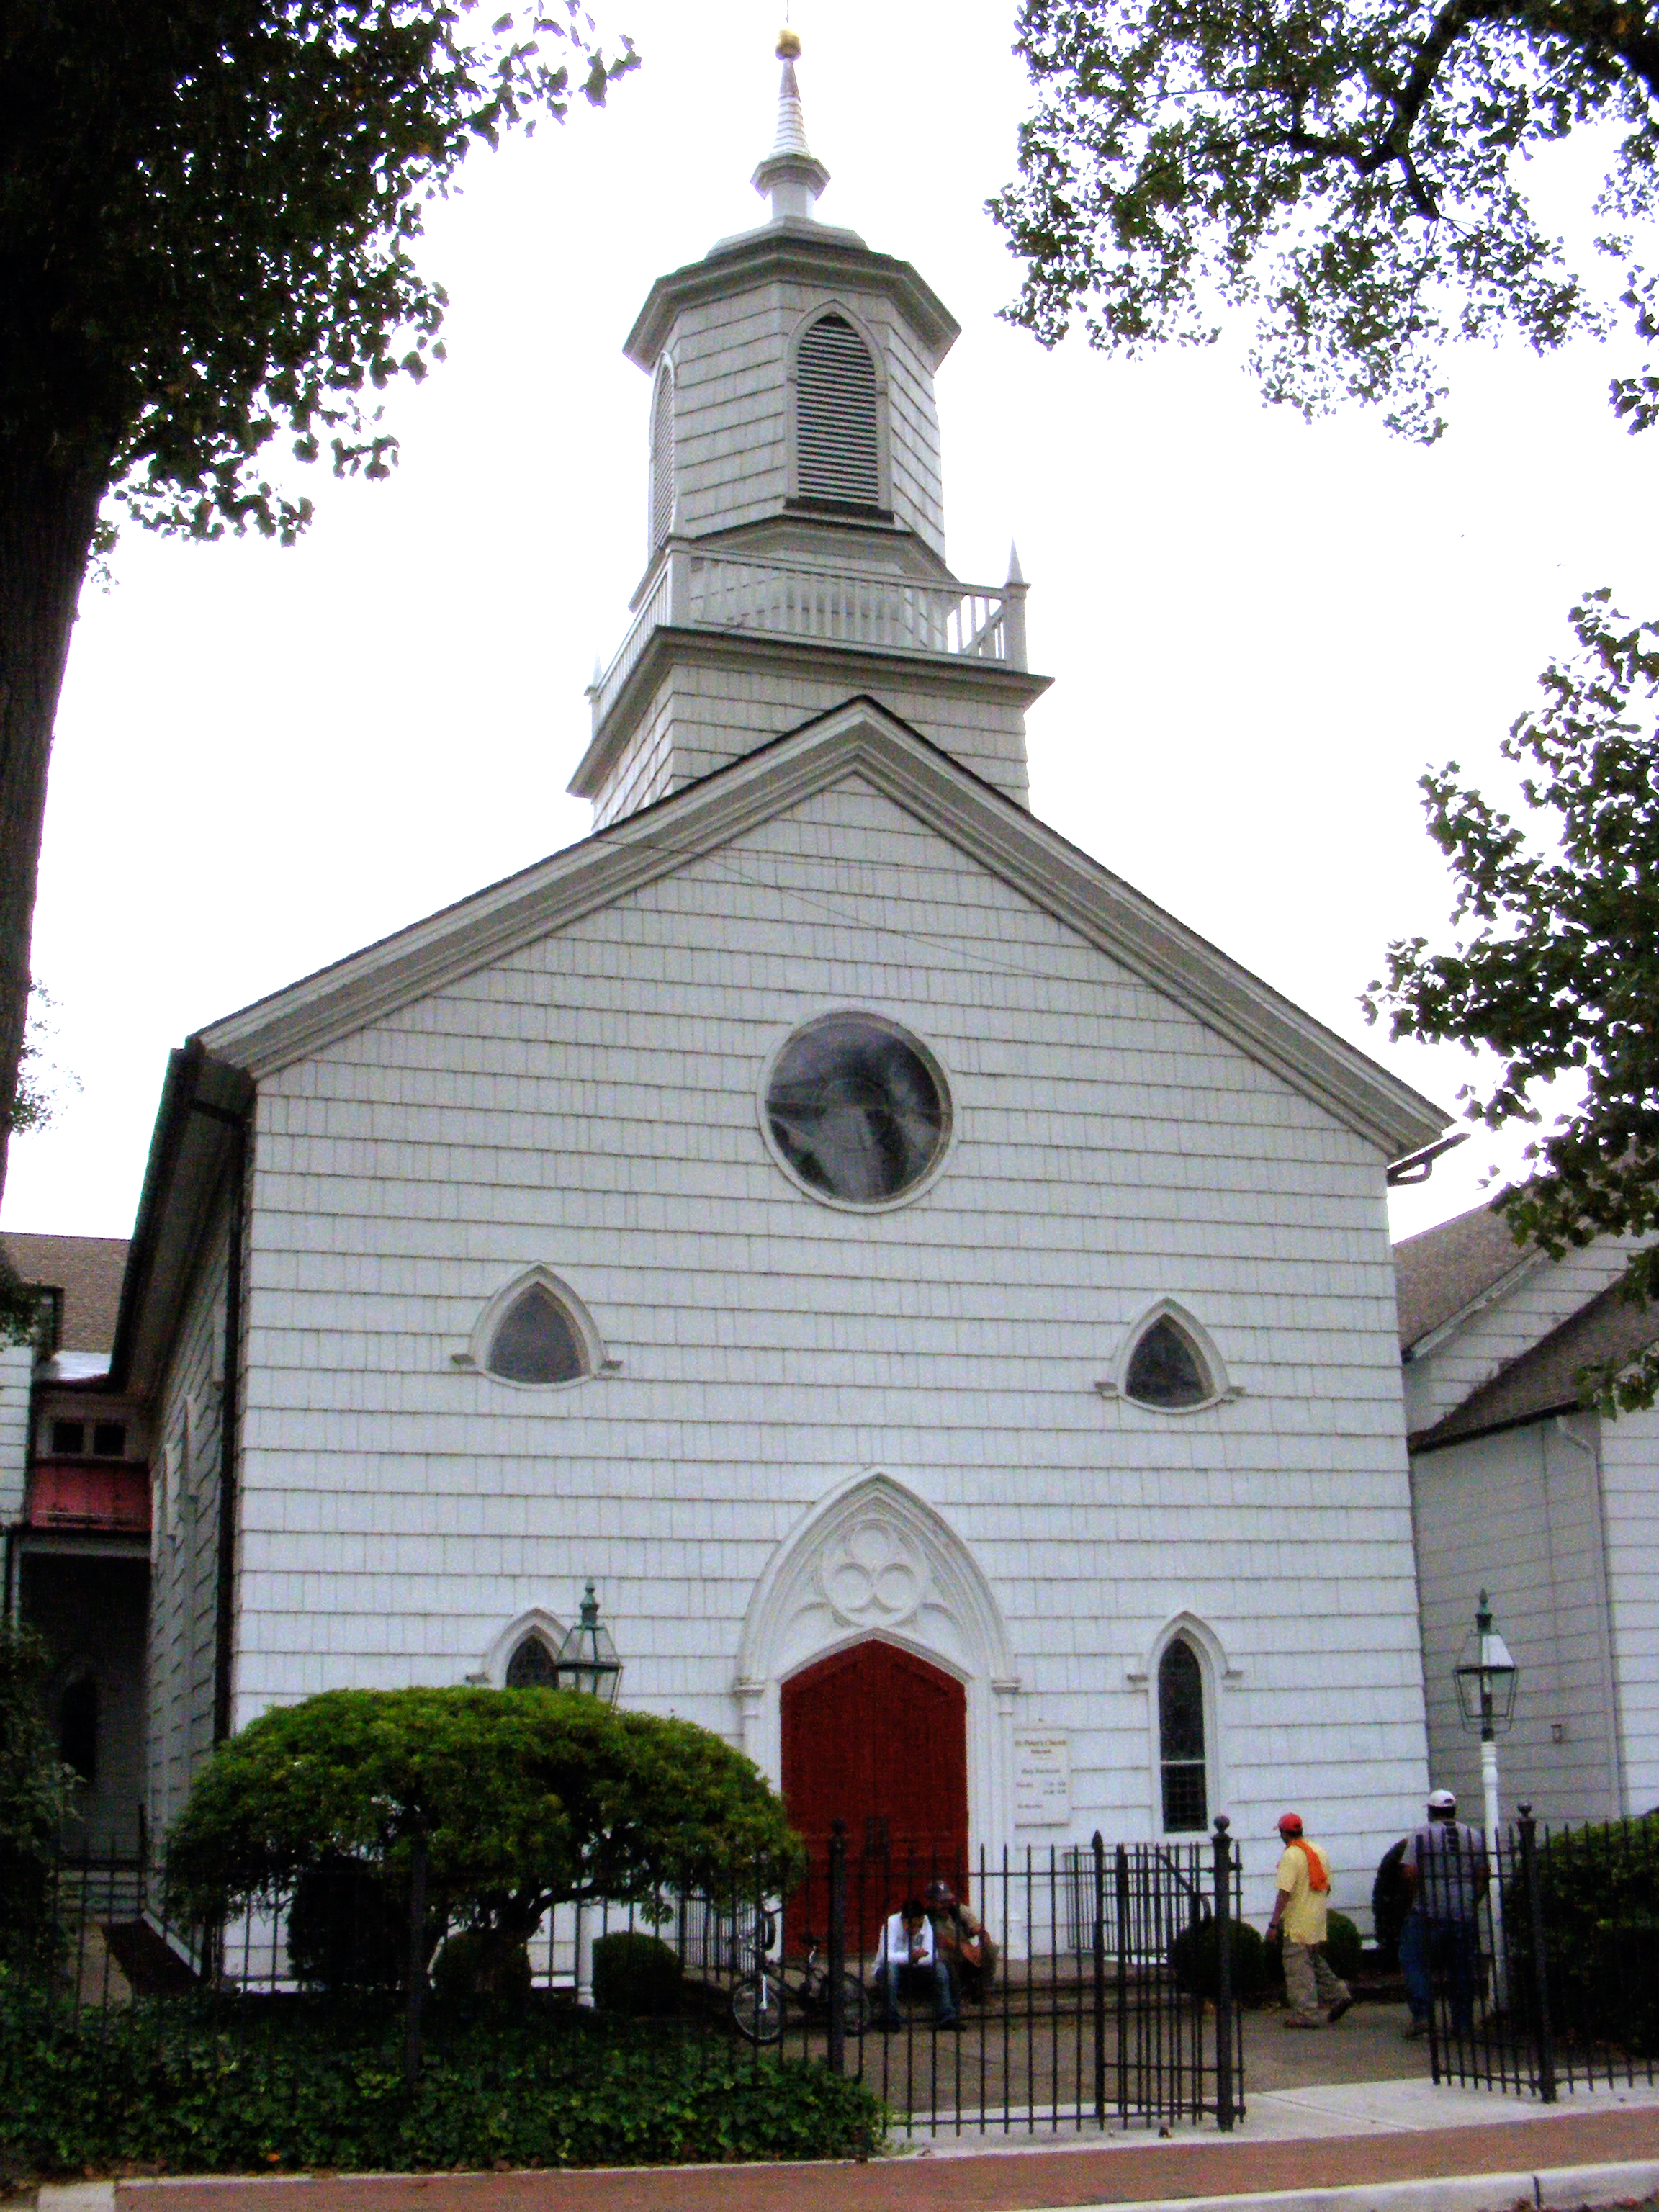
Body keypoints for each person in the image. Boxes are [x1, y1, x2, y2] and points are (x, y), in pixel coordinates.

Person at [1399, 1787, 1488, 2039]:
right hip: (1463, 1910)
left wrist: (1418, 1896)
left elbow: (1409, 1872)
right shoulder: (1473, 1835)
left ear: (1431, 1811)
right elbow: (1482, 1873)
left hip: (1429, 1910)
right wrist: (1472, 1899)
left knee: (1414, 1960)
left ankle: (1423, 2016)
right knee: (1461, 1967)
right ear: (1454, 1810)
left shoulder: (1421, 1835)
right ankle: (1462, 2023)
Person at [1265, 1812, 1354, 2028]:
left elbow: (1284, 1893)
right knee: (1315, 1962)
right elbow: (1327, 1886)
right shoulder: (1319, 1851)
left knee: (1298, 1969)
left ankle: (1306, 2014)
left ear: (1284, 1833)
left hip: (1297, 1923)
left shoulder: (1291, 1856)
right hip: (1316, 1920)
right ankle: (1339, 1994)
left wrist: (1274, 1924)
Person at [872, 1896, 958, 2030]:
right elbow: (886, 1956)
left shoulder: (926, 1923)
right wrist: (910, 1957)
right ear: (903, 1919)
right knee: (890, 1970)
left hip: (916, 1968)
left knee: (940, 1968)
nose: (915, 1929)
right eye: (911, 1926)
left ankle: (947, 2016)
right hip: (891, 1970)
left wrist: (918, 1959)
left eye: (918, 1925)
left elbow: (932, 1954)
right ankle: (891, 2018)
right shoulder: (891, 1924)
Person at [925, 1878, 999, 2004]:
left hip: (968, 1954)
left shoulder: (959, 1910)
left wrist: (981, 1945)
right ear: (931, 1901)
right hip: (949, 1954)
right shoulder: (927, 1918)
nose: (945, 1904)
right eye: (940, 1901)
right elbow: (939, 1940)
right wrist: (962, 1948)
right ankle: (957, 1993)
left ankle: (985, 1991)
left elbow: (979, 1930)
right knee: (942, 1955)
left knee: (991, 1949)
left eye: (947, 1900)